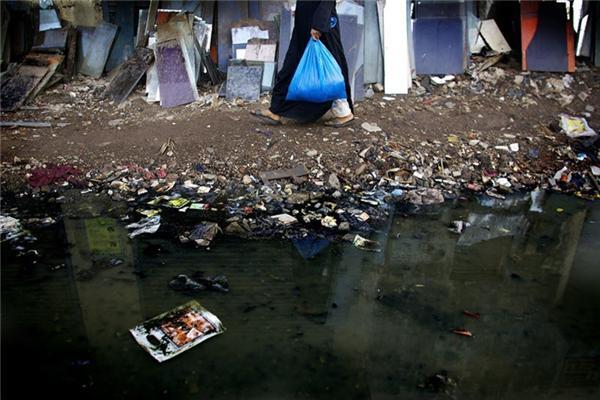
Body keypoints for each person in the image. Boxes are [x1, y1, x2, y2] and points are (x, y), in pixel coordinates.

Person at [251, 0, 354, 127]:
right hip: (306, 21)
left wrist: (319, 24)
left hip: (320, 23)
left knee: (329, 68)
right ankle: (276, 110)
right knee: (292, 64)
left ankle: (343, 112)